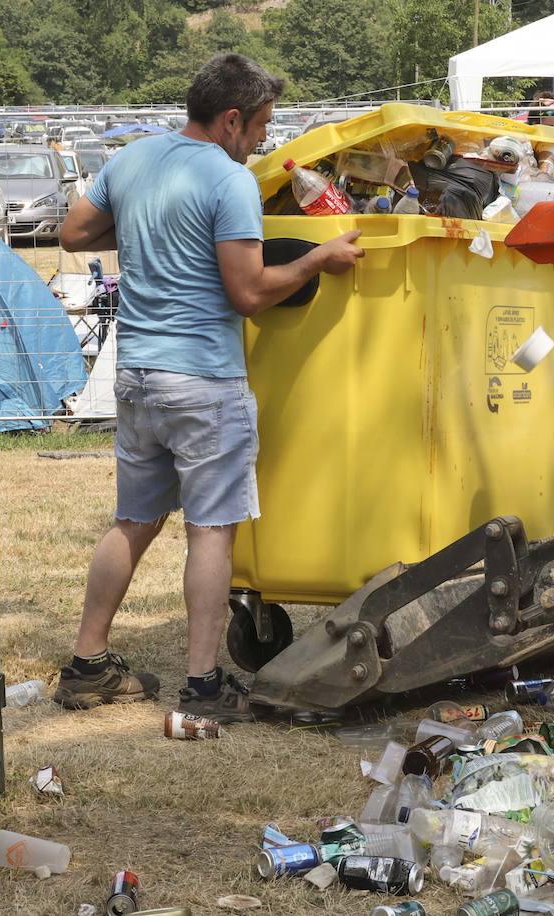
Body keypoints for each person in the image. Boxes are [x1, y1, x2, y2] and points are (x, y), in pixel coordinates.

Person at [52, 54, 363, 722]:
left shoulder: (133, 160)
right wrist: (319, 257)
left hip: (134, 375)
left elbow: (73, 231)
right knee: (211, 532)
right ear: (230, 119)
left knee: (132, 522)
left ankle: (87, 663)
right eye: (259, 129)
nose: (261, 142)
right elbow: (248, 293)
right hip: (201, 379)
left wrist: (141, 223)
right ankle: (202, 685)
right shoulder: (228, 180)